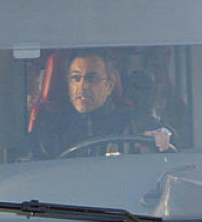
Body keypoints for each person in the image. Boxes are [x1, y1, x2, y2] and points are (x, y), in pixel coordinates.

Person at [30, 51, 173, 159]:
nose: (82, 86)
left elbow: (172, 138)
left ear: (109, 86)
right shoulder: (49, 129)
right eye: (76, 78)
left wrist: (162, 136)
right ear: (68, 84)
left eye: (92, 78)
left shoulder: (133, 122)